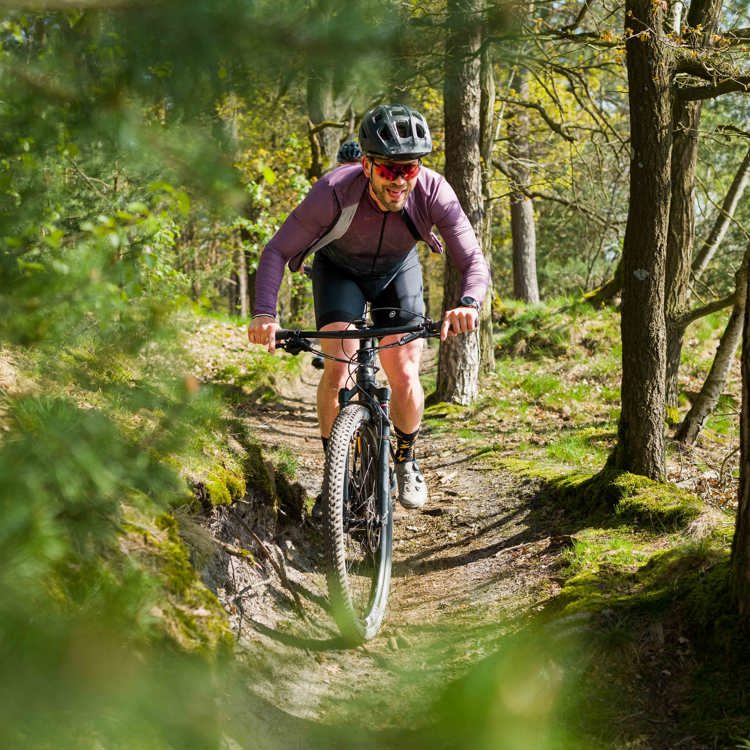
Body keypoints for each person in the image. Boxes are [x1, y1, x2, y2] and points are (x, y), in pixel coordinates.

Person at [248, 103, 490, 510]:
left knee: (404, 369)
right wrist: (264, 315)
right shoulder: (331, 192)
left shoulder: (434, 191)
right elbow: (275, 251)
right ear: (366, 164)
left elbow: (472, 259)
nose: (399, 181)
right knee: (338, 367)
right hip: (339, 272)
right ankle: (336, 474)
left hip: (398, 272)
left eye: (408, 169)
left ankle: (406, 458)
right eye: (388, 170)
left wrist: (468, 302)